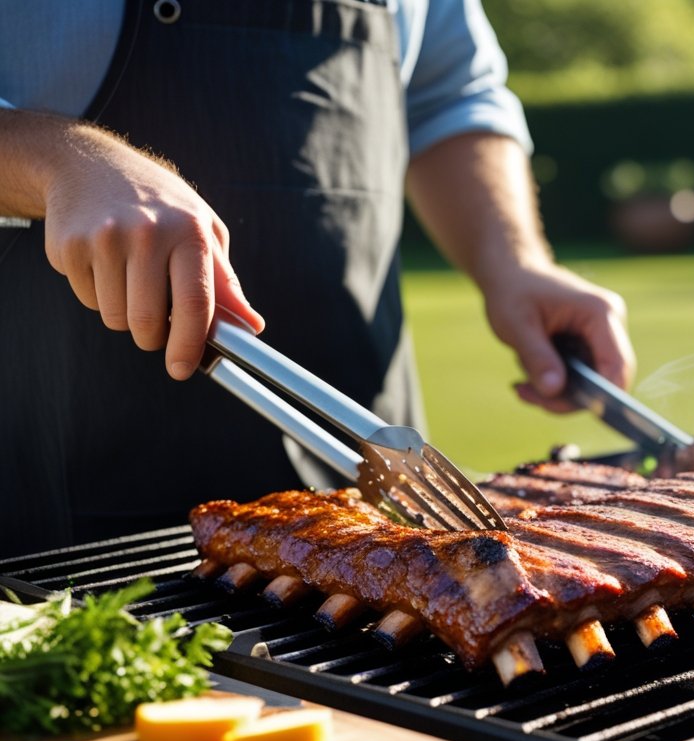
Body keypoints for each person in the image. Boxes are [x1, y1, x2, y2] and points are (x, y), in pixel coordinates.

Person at [0, 0, 635, 555]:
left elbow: (452, 94)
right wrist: (59, 162)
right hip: (60, 471)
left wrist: (514, 261)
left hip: (375, 467)